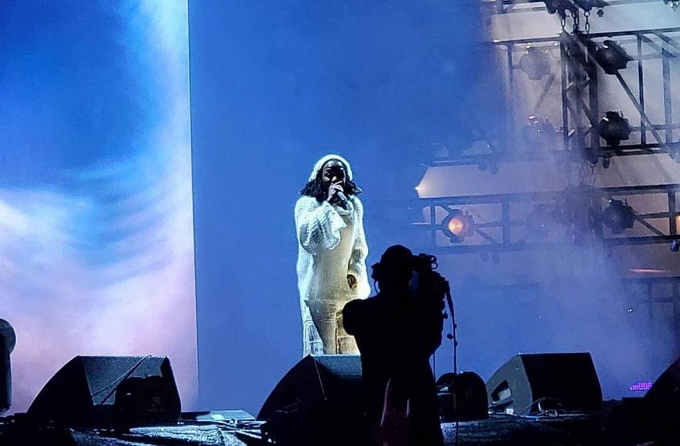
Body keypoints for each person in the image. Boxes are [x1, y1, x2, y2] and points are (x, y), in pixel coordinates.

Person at [343, 245, 445, 446]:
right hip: (420, 408)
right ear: (408, 276)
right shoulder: (419, 313)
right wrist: (429, 298)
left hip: (377, 405)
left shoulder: (360, 312)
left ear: (379, 276)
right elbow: (432, 340)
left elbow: (352, 322)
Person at [295, 154, 370, 356]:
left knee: (350, 352)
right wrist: (328, 205)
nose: (335, 180)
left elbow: (359, 246)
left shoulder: (354, 206)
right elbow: (310, 240)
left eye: (340, 175)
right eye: (330, 175)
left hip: (347, 294)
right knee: (322, 352)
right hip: (319, 293)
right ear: (320, 177)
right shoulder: (308, 205)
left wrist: (355, 271)